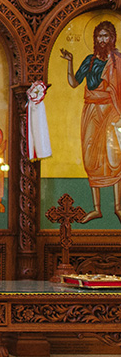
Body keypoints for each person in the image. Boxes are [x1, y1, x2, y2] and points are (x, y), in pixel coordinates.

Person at [60, 20, 121, 222]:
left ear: (112, 38)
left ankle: (118, 206)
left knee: (114, 157)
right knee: (90, 157)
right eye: (99, 36)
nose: (102, 40)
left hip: (112, 112)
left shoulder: (118, 61)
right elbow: (74, 82)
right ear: (95, 39)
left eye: (106, 36)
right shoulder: (90, 60)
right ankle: (97, 208)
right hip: (91, 112)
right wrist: (69, 61)